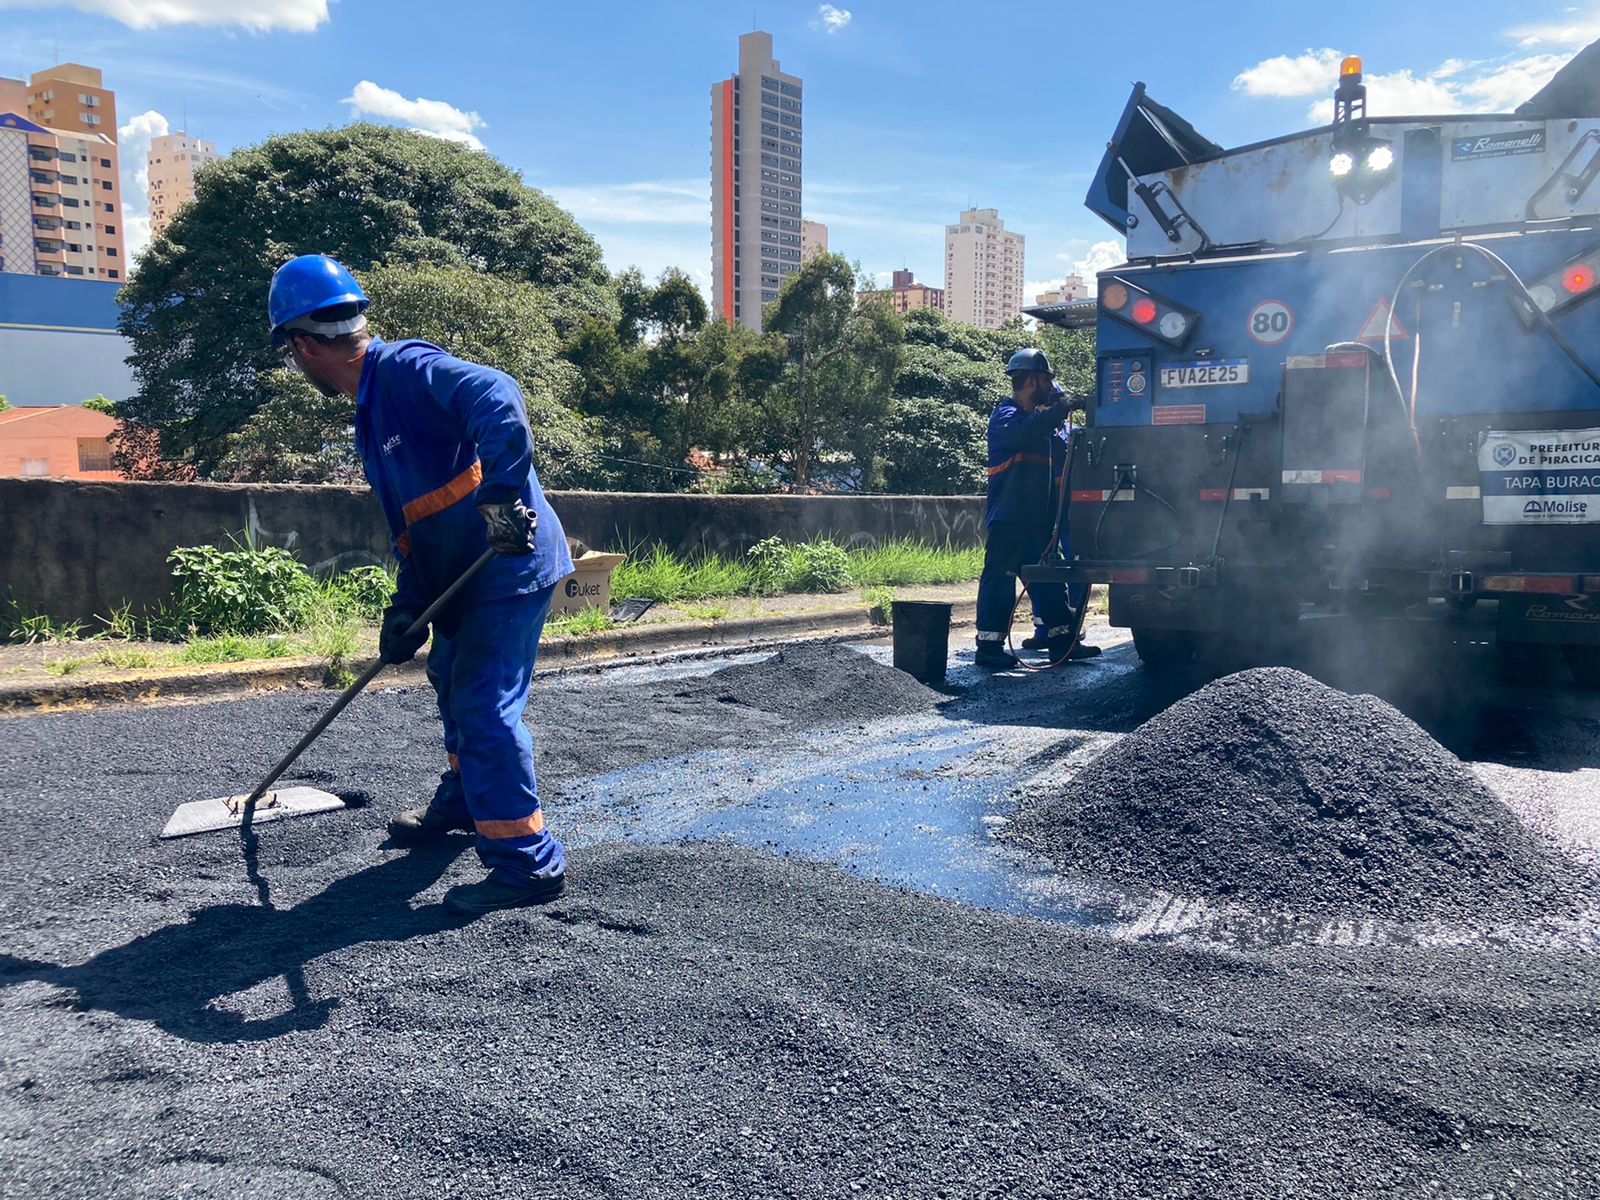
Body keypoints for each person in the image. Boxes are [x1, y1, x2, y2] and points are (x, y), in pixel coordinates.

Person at [266, 254, 573, 915]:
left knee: (483, 706)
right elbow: (418, 526)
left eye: (290, 353)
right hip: (459, 574)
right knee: (449, 676)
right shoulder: (373, 413)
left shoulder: (404, 368)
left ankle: (527, 862)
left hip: (506, 564)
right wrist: (407, 609)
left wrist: (502, 499)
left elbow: (498, 393)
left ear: (302, 345)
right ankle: (466, 802)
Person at [973, 348, 1100, 670]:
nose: (1049, 386)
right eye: (1045, 380)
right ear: (1031, 381)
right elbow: (1025, 430)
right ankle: (988, 648)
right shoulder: (1005, 416)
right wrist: (1061, 408)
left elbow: (1068, 450)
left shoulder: (1042, 430)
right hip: (1009, 520)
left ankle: (1062, 643)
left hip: (1037, 522)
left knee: (1047, 580)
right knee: (1000, 581)